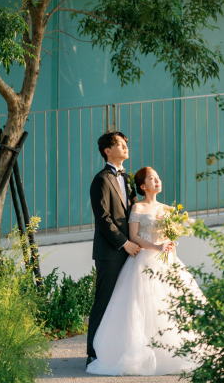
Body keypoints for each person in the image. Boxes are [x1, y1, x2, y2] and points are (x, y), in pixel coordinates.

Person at [86, 165, 205, 376]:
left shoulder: (168, 209)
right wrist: (156, 246)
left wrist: (170, 248)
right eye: (152, 178)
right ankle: (142, 352)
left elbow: (170, 236)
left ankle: (173, 350)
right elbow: (134, 236)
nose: (157, 181)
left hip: (167, 261)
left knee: (171, 304)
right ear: (142, 186)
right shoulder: (137, 208)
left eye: (158, 177)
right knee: (142, 305)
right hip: (144, 261)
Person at [86, 131, 141, 368]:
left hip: (133, 249)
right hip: (111, 252)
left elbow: (135, 212)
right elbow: (103, 218)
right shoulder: (100, 180)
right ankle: (93, 354)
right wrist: (124, 243)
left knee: (127, 301)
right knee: (105, 301)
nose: (125, 147)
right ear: (107, 151)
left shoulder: (128, 179)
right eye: (119, 144)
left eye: (125, 143)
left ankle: (118, 350)